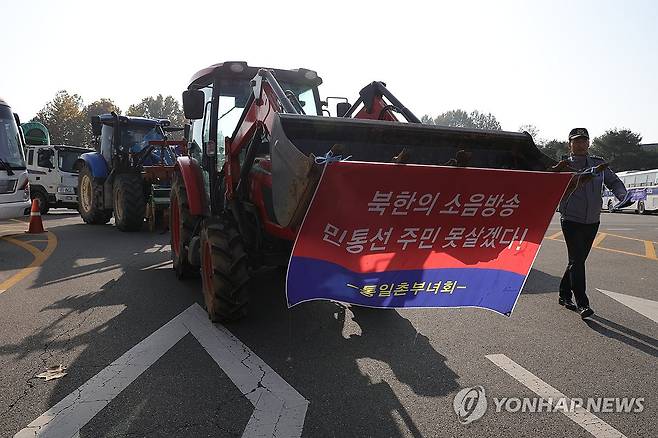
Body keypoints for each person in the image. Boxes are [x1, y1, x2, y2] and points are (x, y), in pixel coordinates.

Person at [557, 128, 627, 319]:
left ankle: (564, 294)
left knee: (577, 260)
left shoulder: (599, 164)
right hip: (571, 219)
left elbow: (614, 182)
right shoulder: (563, 166)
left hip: (593, 220)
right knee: (577, 261)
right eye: (576, 141)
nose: (580, 144)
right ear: (569, 144)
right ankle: (583, 303)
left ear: (589, 143)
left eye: (583, 141)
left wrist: (622, 196)